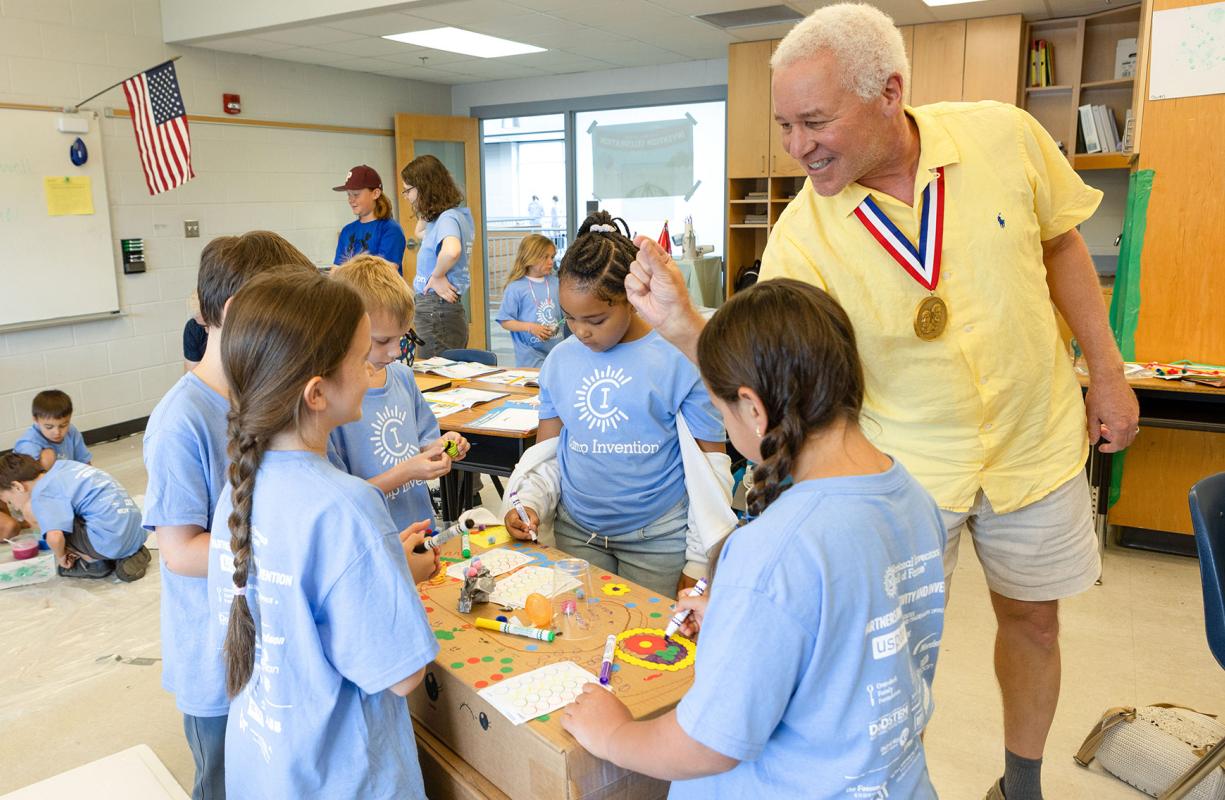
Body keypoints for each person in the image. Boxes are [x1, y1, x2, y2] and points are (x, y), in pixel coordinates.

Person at [623, 5, 1140, 798]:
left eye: (814, 121)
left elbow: (1062, 241)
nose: (796, 146)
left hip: (1032, 437)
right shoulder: (802, 232)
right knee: (882, 645)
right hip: (908, 470)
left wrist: (1106, 370)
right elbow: (765, 373)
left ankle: (1022, 782)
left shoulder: (1003, 136)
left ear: (889, 92)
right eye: (784, 124)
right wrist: (686, 326)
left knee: (1034, 621)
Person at [561, 279, 946, 798]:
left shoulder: (773, 551)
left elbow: (707, 744)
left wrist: (614, 733)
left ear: (754, 409)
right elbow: (842, 631)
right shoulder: (912, 498)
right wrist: (736, 610)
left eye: (722, 411)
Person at [210, 269, 439, 798]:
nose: (374, 369)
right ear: (318, 393)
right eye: (362, 358)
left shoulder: (239, 489)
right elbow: (401, 675)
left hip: (267, 770)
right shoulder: (347, 507)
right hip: (344, 777)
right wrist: (393, 574)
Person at [142, 231, 317, 800]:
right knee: (223, 785)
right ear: (241, 314)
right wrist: (287, 549)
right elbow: (180, 551)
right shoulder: (181, 420)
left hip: (270, 649)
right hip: (215, 668)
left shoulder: (263, 398)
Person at [502, 212, 725, 596]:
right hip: (577, 534)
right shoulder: (560, 361)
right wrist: (530, 503)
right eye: (569, 317)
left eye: (596, 318)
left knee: (651, 645)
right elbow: (548, 455)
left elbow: (710, 467)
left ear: (632, 299)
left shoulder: (680, 357)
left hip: (658, 540)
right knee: (580, 638)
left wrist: (698, 558)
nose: (581, 331)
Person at [328, 254, 470, 530]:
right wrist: (407, 472)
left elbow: (424, 442)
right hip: (374, 535)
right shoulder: (332, 402)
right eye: (382, 341)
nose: (396, 352)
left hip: (419, 526)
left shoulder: (403, 377)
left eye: (402, 337)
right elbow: (342, 499)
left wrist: (443, 446)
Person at [0, 453, 151, 581]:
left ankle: (93, 563)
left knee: (30, 511)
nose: (15, 508)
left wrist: (61, 556)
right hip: (136, 530)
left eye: (11, 502)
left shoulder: (42, 494)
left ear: (18, 487)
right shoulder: (65, 466)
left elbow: (55, 537)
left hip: (109, 541)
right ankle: (132, 553)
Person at [401, 155, 475, 359]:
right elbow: (420, 233)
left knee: (435, 373)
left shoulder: (447, 219)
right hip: (439, 308)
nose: (406, 196)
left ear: (423, 188)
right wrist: (427, 205)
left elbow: (452, 251)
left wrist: (437, 275)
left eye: (408, 190)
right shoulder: (456, 216)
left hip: (436, 307)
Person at [496, 234, 561, 368]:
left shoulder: (557, 283)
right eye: (545, 257)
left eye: (552, 257)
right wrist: (531, 328)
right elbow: (505, 321)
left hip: (557, 354)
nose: (551, 262)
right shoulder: (515, 288)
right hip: (530, 358)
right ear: (530, 257)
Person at [333, 164, 408, 274]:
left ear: (375, 193)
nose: (350, 200)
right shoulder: (347, 231)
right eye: (348, 194)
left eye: (356, 194)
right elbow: (335, 271)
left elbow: (385, 273)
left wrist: (347, 272)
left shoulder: (390, 229)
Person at [14, 389, 91, 469]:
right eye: (49, 427)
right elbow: (28, 477)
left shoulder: (71, 431)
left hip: (62, 475)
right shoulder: (29, 443)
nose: (57, 432)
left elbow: (85, 463)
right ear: (36, 420)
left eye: (63, 425)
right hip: (32, 477)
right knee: (48, 455)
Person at [184, 291, 208, 371]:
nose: (206, 331)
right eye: (202, 326)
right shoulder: (193, 328)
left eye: (208, 325)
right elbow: (192, 373)